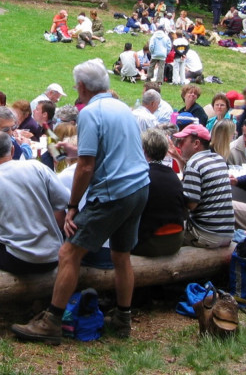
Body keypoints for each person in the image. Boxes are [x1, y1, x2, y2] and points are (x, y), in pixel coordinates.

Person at [12, 59, 150, 344]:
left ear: (84, 87)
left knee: (69, 253)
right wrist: (76, 150)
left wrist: (73, 206)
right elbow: (113, 150)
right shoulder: (121, 107)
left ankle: (51, 321)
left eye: (76, 85)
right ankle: (123, 319)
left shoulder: (90, 113)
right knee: (121, 255)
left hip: (114, 192)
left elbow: (86, 168)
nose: (76, 89)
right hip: (139, 187)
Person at [0, 131, 68, 278]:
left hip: (19, 259)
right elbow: (64, 200)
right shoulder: (37, 167)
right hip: (53, 255)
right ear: (12, 150)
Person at [171, 124, 234, 248]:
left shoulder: (194, 164)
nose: (178, 145)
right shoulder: (219, 159)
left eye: (182, 141)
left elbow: (191, 204)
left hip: (206, 234)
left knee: (168, 237)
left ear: (196, 144)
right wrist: (178, 158)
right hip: (227, 234)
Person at [128, 128, 187, 256]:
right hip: (176, 241)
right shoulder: (172, 175)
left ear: (142, 150)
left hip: (151, 243)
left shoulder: (141, 176)